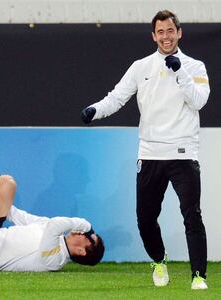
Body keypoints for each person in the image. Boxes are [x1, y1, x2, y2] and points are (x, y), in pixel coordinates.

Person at [81, 10, 209, 290]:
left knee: (192, 215)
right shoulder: (141, 67)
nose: (166, 36)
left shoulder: (195, 67)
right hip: (150, 153)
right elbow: (117, 97)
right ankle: (159, 261)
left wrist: (180, 72)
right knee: (145, 218)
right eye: (160, 32)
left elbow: (199, 101)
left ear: (179, 33)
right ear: (153, 36)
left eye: (170, 31)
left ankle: (198, 276)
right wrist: (95, 110)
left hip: (183, 153)